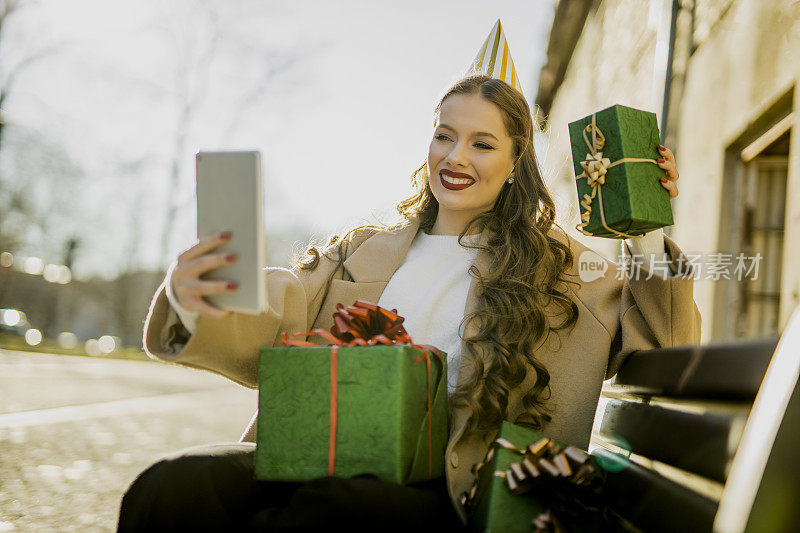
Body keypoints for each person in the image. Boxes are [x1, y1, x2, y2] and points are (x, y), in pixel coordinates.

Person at [118, 46, 699, 533]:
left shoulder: (566, 272)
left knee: (327, 514)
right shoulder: (364, 249)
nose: (456, 156)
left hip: (453, 492)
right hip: (320, 455)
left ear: (518, 161)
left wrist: (645, 231)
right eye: (445, 136)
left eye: (482, 143)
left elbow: (660, 345)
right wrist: (206, 291)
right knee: (171, 485)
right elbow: (282, 307)